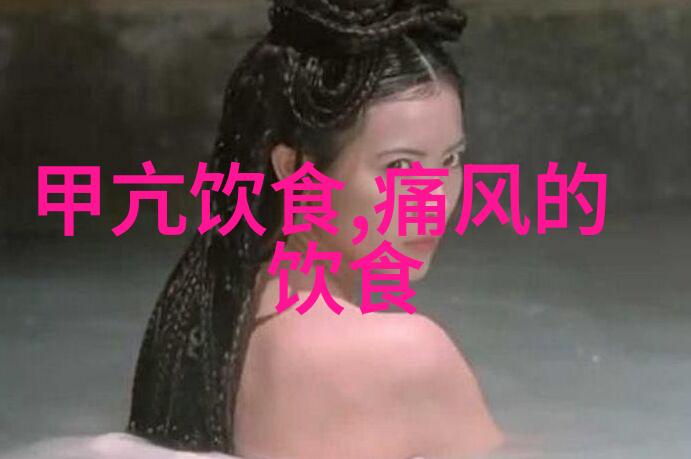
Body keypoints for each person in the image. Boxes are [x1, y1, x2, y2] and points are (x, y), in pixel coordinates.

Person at [127, 1, 507, 458]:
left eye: (451, 160)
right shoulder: (406, 355)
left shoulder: (208, 320)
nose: (434, 199)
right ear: (294, 168)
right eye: (400, 167)